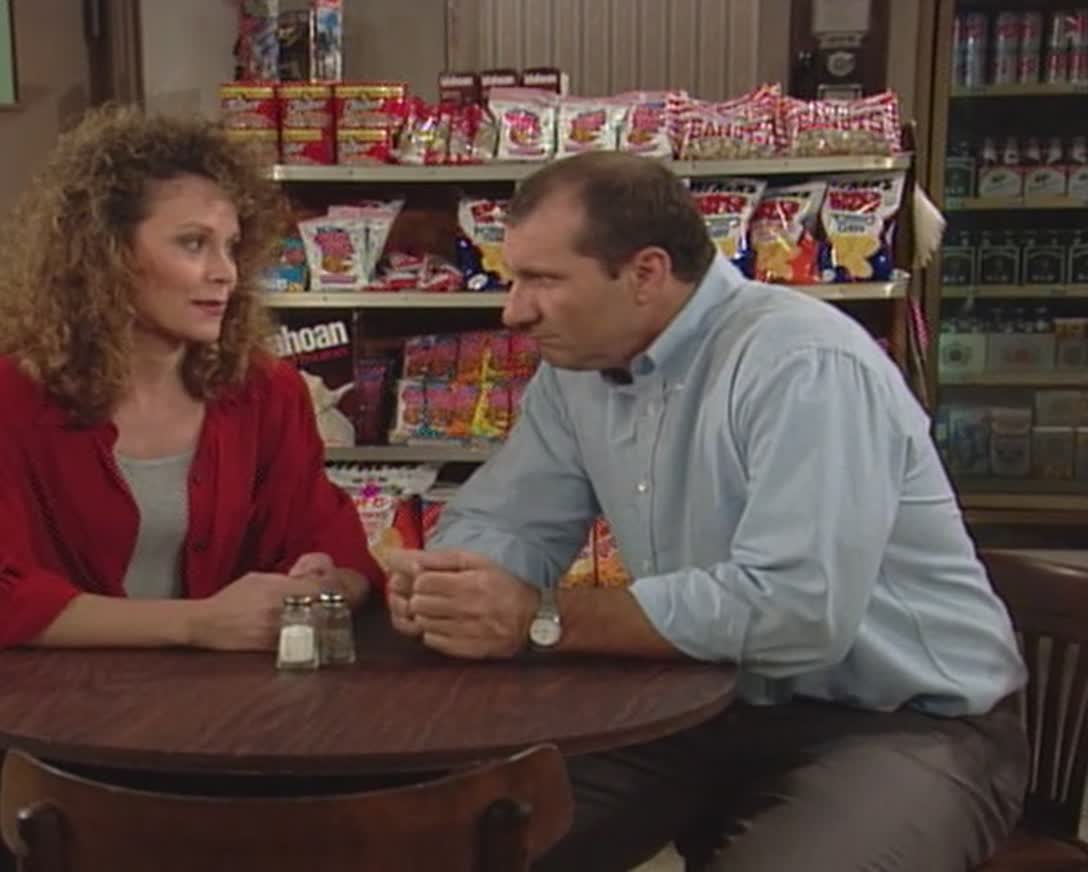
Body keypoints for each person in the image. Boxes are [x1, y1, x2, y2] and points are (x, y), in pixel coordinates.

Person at [384, 151, 1028, 872]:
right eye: (514, 279)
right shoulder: (578, 375)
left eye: (543, 280)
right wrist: (454, 586)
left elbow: (797, 611)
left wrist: (540, 616)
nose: (514, 310)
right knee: (454, 847)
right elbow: (510, 521)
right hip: (694, 705)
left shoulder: (802, 364)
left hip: (900, 722)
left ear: (646, 273)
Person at [0, 107, 382, 871]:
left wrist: (323, 584)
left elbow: (337, 546)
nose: (225, 272)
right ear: (104, 256)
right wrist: (200, 623)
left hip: (219, 718)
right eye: (193, 244)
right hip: (34, 726)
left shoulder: (267, 394)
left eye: (231, 246)